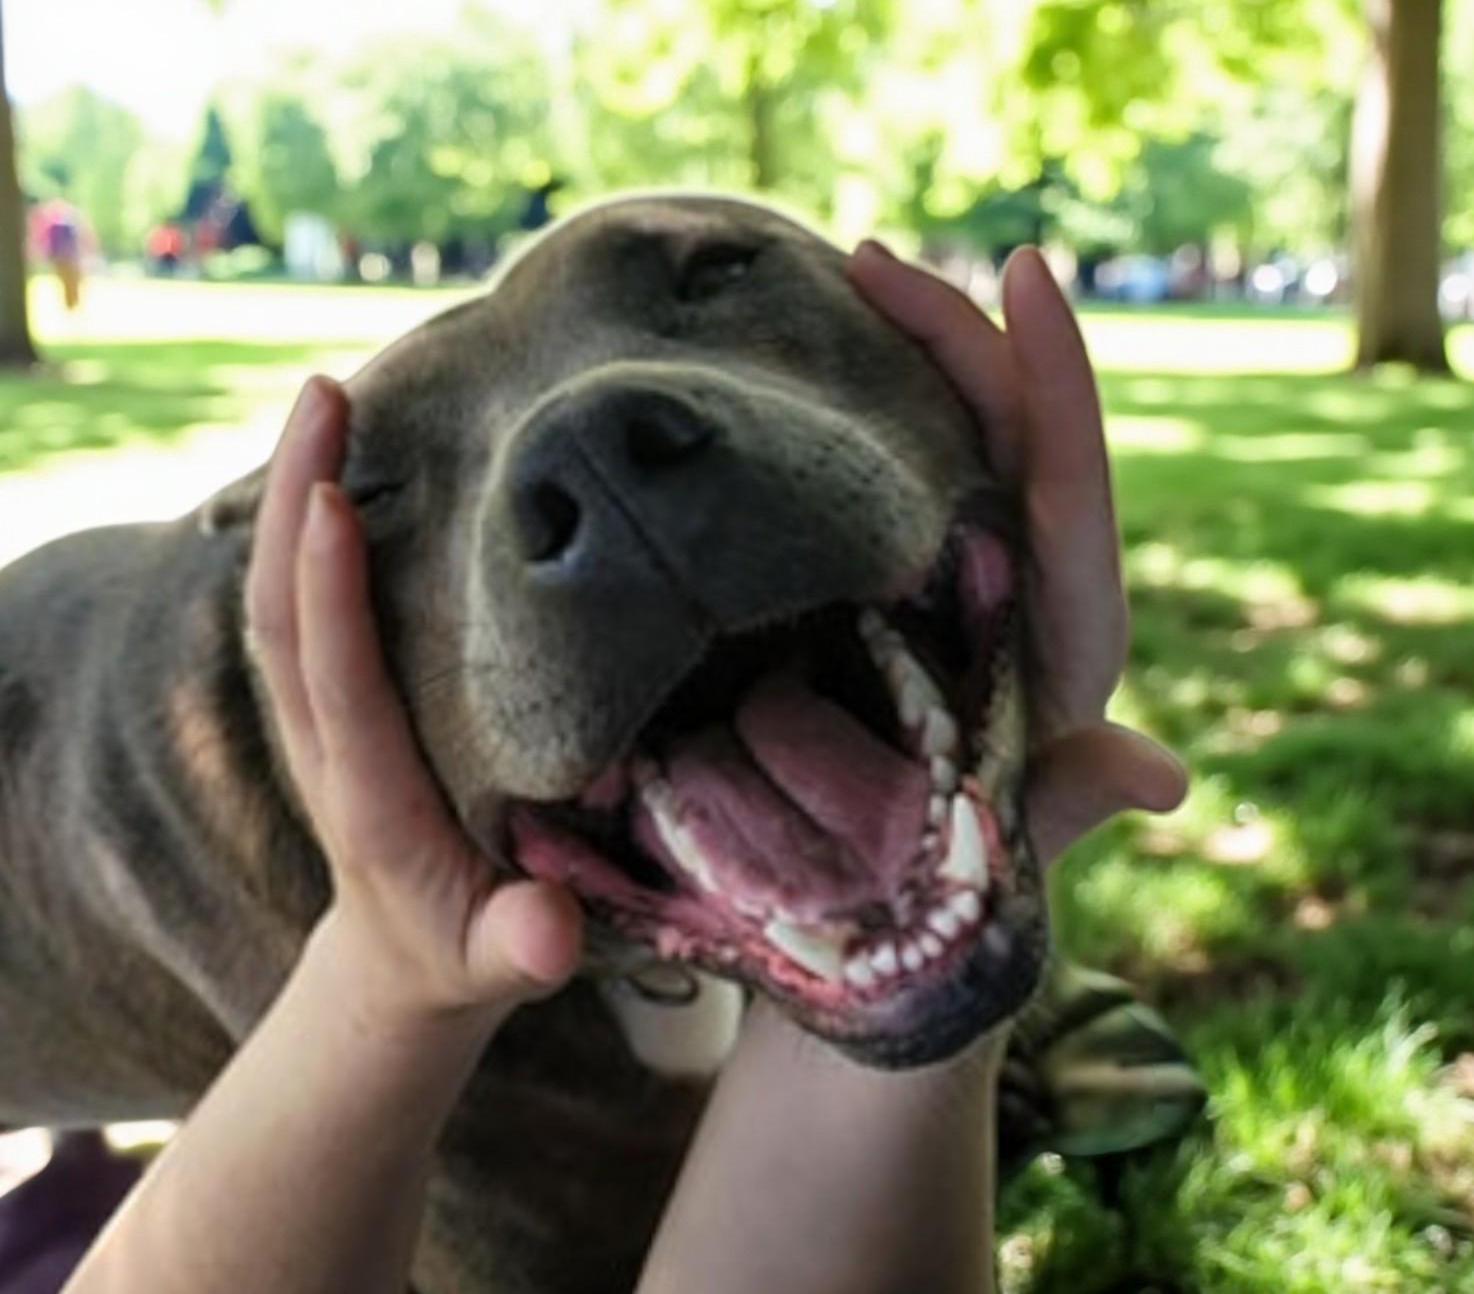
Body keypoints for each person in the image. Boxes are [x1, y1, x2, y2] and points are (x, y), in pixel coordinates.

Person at [61, 243, 1186, 1294]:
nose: (594, 444)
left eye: (718, 274)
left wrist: (996, 720)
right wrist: (383, 977)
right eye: (382, 496)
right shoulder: (211, 800)